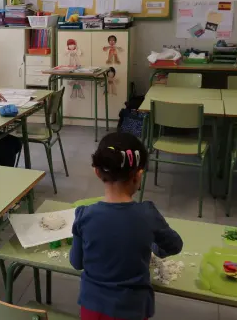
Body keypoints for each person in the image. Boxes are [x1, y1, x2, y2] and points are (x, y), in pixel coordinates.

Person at [70, 132, 183, 320]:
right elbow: (175, 246)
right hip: (132, 309)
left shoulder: (83, 215)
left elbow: (76, 263)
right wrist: (155, 247)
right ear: (138, 175)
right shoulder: (147, 214)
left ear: (97, 172)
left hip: (93, 308)